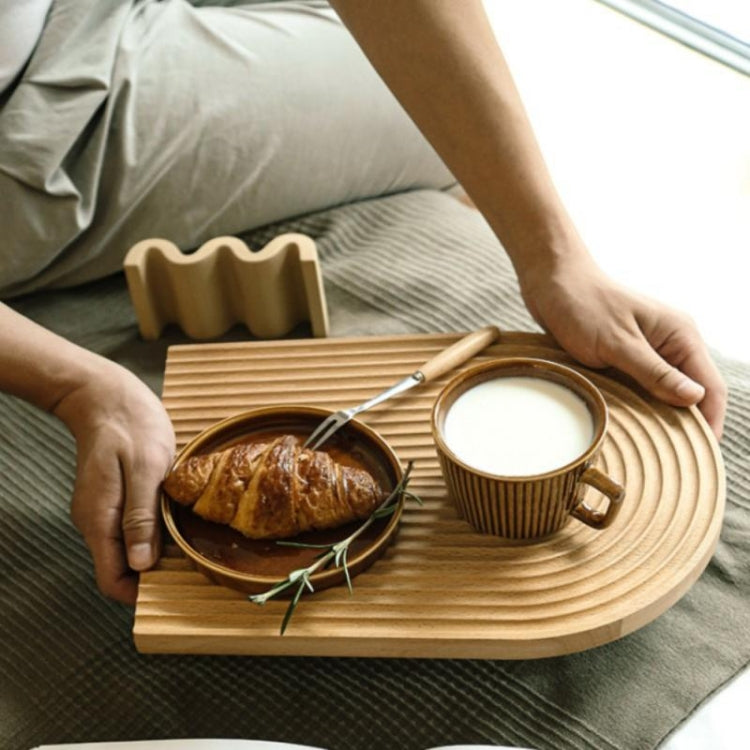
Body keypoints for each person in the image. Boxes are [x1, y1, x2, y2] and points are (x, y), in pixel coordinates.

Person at [0, 0, 727, 605]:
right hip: (35, 124)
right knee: (420, 120)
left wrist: (557, 262)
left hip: (77, 16)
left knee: (444, 89)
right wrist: (74, 385)